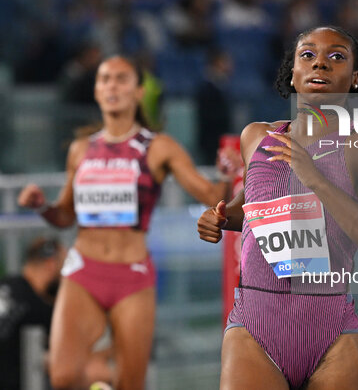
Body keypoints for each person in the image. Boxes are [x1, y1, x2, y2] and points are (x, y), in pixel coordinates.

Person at [198, 26, 358, 389]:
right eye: (307, 55)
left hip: (331, 333)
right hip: (255, 328)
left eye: (336, 57)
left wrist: (317, 180)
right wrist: (218, 218)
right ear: (293, 74)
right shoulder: (257, 137)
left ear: (355, 78)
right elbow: (250, 206)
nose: (320, 64)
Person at [18, 55, 232, 390]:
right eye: (104, 79)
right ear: (96, 91)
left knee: (131, 383)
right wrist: (41, 205)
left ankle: (104, 378)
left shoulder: (157, 147)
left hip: (131, 276)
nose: (112, 85)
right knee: (62, 376)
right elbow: (64, 216)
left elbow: (210, 193)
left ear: (137, 91)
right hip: (83, 271)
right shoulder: (80, 149)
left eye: (120, 78)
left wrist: (229, 174)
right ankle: (100, 378)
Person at [0, 237, 65, 390]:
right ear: (50, 264)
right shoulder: (39, 309)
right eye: (64, 267)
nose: (67, 277)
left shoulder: (7, 283)